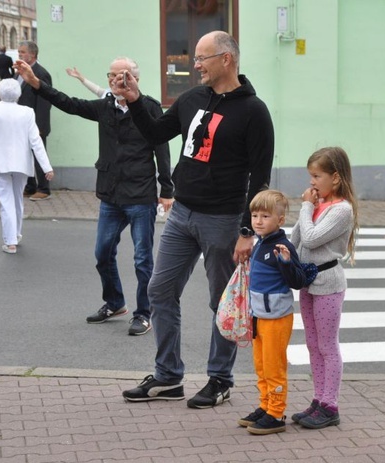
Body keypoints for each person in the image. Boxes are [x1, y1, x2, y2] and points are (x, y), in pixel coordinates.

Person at [115, 30, 275, 409]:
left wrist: (247, 231)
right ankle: (169, 377)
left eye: (202, 58)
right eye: (195, 58)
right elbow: (157, 133)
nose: (196, 65)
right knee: (159, 290)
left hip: (223, 218)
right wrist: (136, 101)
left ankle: (220, 379)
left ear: (227, 59)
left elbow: (260, 176)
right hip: (182, 213)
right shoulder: (192, 99)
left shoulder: (254, 111)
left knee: (222, 303)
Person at [14, 57, 172, 336]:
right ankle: (114, 302)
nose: (113, 80)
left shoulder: (149, 107)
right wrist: (37, 84)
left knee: (142, 259)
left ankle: (143, 313)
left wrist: (166, 189)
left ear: (134, 78)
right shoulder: (105, 107)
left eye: (119, 75)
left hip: (140, 194)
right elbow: (69, 103)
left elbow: (161, 146)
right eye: (110, 75)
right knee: (102, 253)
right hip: (111, 193)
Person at [289, 146, 358, 430]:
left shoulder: (342, 210)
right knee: (312, 344)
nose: (312, 182)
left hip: (328, 283)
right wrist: (309, 208)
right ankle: (318, 399)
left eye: (317, 176)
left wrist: (307, 207)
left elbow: (314, 238)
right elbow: (297, 238)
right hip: (308, 281)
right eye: (311, 176)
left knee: (328, 345)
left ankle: (330, 405)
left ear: (336, 178)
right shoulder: (319, 205)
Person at [237, 190, 306, 435]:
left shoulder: (281, 246)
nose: (258, 221)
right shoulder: (259, 244)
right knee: (261, 366)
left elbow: (297, 281)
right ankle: (265, 405)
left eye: (265, 216)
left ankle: (276, 413)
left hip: (277, 318)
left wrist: (287, 263)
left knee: (274, 367)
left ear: (280, 220)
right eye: (255, 215)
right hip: (259, 317)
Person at [0, 79, 53, 254]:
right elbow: (35, 141)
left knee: (6, 201)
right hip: (21, 163)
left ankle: (10, 241)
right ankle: (16, 234)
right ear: (18, 93)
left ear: (0, 92)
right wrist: (46, 167)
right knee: (17, 199)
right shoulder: (27, 112)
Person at [16, 41, 53, 201]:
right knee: (25, 155)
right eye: (19, 51)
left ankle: (44, 188)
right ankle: (30, 186)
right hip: (21, 122)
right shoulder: (19, 72)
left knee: (38, 156)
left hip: (35, 124)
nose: (20, 54)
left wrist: (40, 126)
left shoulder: (40, 73)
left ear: (33, 54)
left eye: (23, 52)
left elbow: (45, 101)